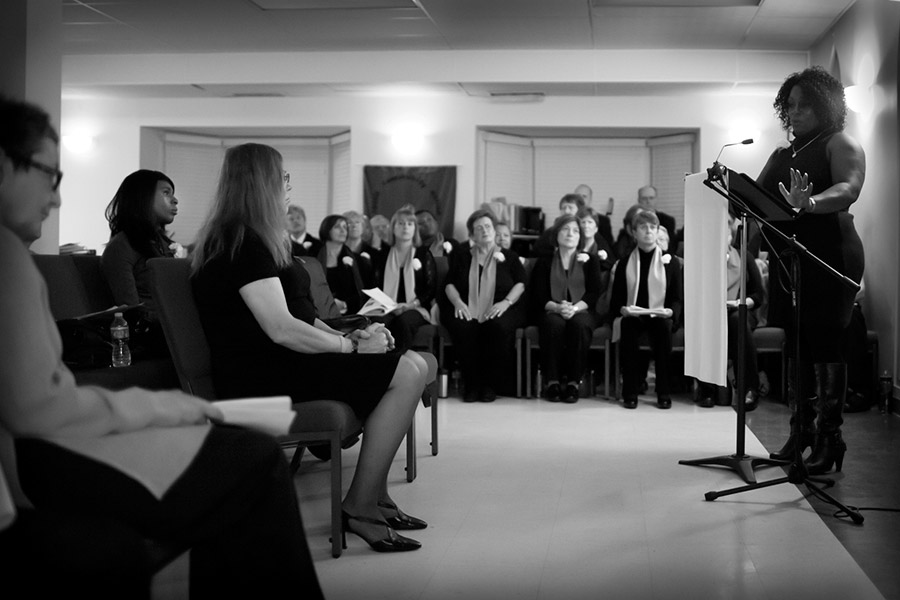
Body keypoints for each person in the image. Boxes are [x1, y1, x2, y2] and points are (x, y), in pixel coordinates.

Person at [0, 97, 324, 596]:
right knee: (253, 460)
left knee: (245, 457)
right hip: (41, 454)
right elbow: (38, 409)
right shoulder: (6, 258)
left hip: (39, 447)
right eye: (49, 174)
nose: (57, 198)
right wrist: (165, 407)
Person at [192, 142, 430, 553]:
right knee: (405, 371)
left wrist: (352, 336)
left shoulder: (260, 240)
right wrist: (349, 348)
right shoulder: (239, 244)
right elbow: (281, 329)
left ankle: (374, 497)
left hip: (284, 362)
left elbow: (300, 316)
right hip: (260, 375)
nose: (288, 184)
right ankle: (359, 507)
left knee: (410, 362)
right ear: (261, 184)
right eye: (281, 177)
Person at [758, 66, 865, 474]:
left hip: (832, 254)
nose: (796, 112)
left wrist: (812, 203)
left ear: (826, 106)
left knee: (825, 342)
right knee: (797, 343)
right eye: (791, 105)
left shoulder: (840, 142)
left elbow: (849, 188)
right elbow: (760, 199)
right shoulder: (783, 155)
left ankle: (828, 438)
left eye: (805, 105)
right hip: (791, 258)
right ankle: (800, 433)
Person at [101, 169, 186, 358]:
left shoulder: (165, 245)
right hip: (154, 335)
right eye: (166, 193)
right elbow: (131, 310)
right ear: (143, 198)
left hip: (177, 328)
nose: (175, 200)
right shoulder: (122, 246)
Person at [444, 209, 527, 402]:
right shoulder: (462, 255)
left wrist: (505, 303)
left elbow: (521, 283)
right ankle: (472, 384)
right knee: (464, 327)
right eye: (478, 228)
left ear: (494, 230)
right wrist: (458, 302)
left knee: (496, 327)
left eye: (488, 226)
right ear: (472, 234)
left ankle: (490, 384)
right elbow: (449, 284)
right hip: (466, 303)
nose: (484, 231)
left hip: (503, 305)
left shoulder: (509, 256)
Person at [609, 208, 683, 409]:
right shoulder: (624, 263)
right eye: (643, 227)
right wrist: (623, 309)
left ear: (658, 231)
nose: (648, 231)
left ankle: (663, 391)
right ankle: (630, 391)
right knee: (629, 326)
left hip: (660, 314)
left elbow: (677, 298)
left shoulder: (671, 262)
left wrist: (671, 312)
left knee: (663, 328)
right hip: (634, 314)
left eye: (653, 227)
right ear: (634, 233)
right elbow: (616, 300)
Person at [528, 215, 603, 403]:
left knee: (580, 326)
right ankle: (552, 382)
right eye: (565, 229)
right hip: (552, 309)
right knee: (553, 324)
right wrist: (558, 307)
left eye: (576, 231)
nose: (571, 234)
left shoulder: (590, 260)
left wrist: (574, 309)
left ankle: (573, 383)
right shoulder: (544, 261)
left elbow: (594, 293)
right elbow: (538, 295)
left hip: (582, 310)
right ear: (556, 234)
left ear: (580, 237)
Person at [695, 214, 764, 410]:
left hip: (742, 311)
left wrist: (738, 303)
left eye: (723, 234)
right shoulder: (703, 259)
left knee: (736, 319)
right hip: (711, 313)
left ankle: (749, 387)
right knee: (707, 322)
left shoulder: (744, 257)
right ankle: (707, 387)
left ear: (730, 236)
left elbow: (758, 295)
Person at [370, 206, 437, 353]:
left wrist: (410, 305)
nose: (405, 227)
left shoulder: (423, 254)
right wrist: (390, 306)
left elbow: (431, 288)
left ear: (415, 229)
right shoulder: (383, 255)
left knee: (403, 322)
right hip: (386, 307)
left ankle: (401, 364)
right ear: (393, 228)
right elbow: (374, 286)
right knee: (378, 323)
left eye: (410, 224)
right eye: (400, 223)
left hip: (415, 307)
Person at [317, 214, 366, 314]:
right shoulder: (313, 257)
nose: (343, 230)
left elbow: (363, 293)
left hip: (349, 313)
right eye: (337, 227)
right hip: (319, 311)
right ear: (326, 229)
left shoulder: (358, 260)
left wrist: (345, 304)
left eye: (345, 227)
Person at [532, 193, 586, 257]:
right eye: (563, 208)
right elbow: (537, 254)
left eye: (570, 208)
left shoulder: (588, 232)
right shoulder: (550, 233)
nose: (566, 211)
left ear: (579, 211)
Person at [343, 210, 377, 288]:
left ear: (363, 227)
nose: (354, 226)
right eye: (349, 223)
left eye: (357, 222)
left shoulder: (373, 253)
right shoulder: (338, 252)